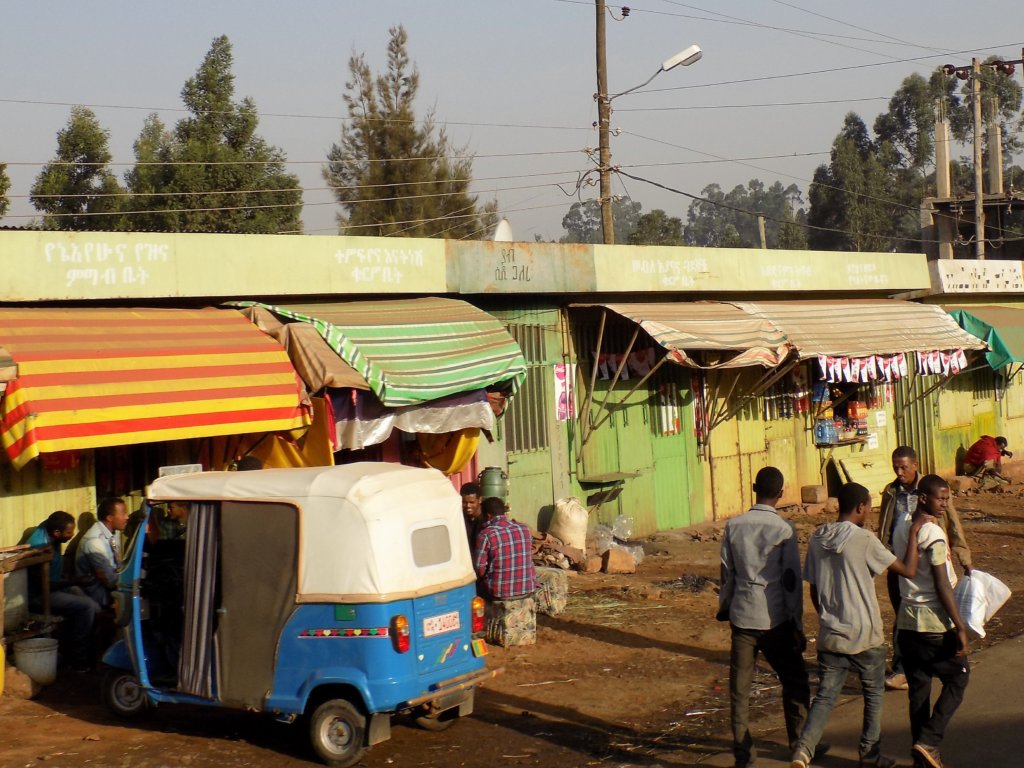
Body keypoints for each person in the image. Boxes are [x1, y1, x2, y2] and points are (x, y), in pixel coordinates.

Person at [790, 483, 931, 768]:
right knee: (873, 695)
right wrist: (914, 533)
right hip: (866, 633)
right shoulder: (864, 539)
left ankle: (803, 749)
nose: (869, 511)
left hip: (832, 632)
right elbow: (908, 570)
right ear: (860, 508)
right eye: (868, 506)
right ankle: (870, 754)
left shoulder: (818, 538)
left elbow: (814, 590)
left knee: (826, 696)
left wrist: (827, 615)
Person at [718, 466, 814, 768]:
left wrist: (725, 607)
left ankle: (743, 755)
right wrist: (796, 623)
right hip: (775, 619)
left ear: (754, 488)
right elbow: (790, 582)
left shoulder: (734, 526)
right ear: (781, 494)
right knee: (795, 681)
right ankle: (799, 743)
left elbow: (726, 574)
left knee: (740, 689)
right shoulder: (783, 530)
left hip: (743, 617)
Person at [877, 446, 971, 691]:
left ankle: (942, 658)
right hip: (900, 565)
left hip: (932, 563)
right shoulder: (890, 492)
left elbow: (953, 524)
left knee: (938, 609)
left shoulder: (933, 490)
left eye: (904, 467)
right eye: (895, 466)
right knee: (904, 618)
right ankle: (903, 668)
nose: (899, 472)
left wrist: (963, 555)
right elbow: (884, 529)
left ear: (915, 465)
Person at [893, 475, 971, 768]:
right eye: (941, 499)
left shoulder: (902, 526)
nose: (945, 505)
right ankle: (929, 739)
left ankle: (921, 759)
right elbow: (942, 585)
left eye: (947, 499)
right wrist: (960, 626)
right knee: (959, 676)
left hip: (908, 623)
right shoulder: (932, 534)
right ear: (923, 498)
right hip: (934, 625)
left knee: (919, 691)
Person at [26, 511, 102, 671]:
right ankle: (78, 660)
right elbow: (43, 586)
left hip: (54, 585)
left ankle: (94, 651)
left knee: (94, 607)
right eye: (69, 533)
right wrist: (74, 580)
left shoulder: (50, 529)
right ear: (56, 533)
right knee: (85, 606)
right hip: (39, 596)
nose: (71, 535)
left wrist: (69, 579)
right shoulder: (40, 547)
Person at [473, 497, 538, 601]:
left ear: (488, 516)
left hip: (499, 593)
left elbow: (479, 568)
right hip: (527, 589)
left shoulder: (486, 534)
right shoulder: (524, 529)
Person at [75, 497, 129, 607]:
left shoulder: (113, 534)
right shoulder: (95, 542)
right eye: (123, 513)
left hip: (113, 589)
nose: (127, 517)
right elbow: (108, 580)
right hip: (99, 596)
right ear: (110, 518)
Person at [460, 482, 484, 551]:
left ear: (480, 500)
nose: (468, 506)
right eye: (464, 502)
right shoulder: (460, 519)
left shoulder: (486, 520)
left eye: (471, 502)